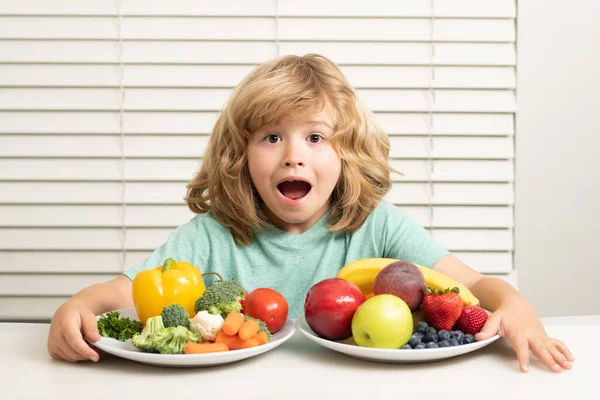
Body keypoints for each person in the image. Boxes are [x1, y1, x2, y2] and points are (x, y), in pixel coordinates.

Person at [48, 53, 574, 373]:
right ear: (241, 155)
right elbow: (121, 294)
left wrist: (518, 307)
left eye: (316, 137)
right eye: (271, 137)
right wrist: (77, 305)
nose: (293, 155)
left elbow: (475, 285)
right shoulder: (212, 236)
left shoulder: (378, 226)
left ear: (346, 154)